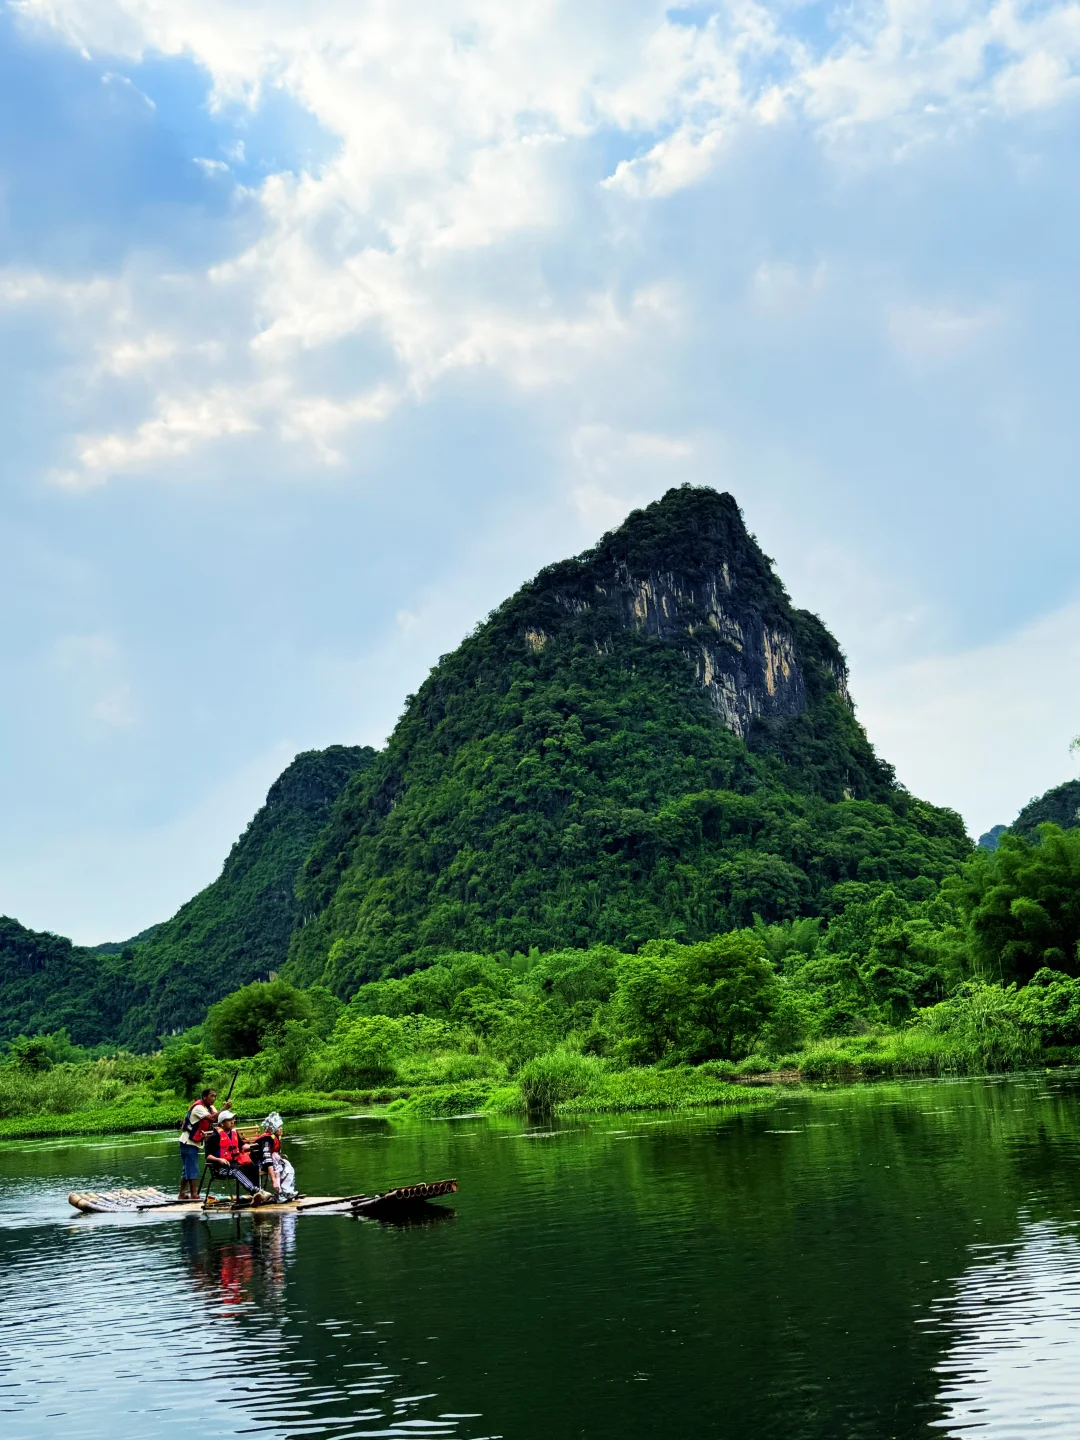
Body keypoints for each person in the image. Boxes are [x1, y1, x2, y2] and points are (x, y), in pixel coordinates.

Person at [205, 1111, 271, 1204]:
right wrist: (219, 1160)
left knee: (254, 1167)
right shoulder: (214, 1137)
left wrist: (256, 1145)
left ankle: (257, 1196)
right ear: (222, 1123)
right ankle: (256, 1191)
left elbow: (243, 1146)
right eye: (229, 1120)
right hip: (221, 1168)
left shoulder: (234, 1133)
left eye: (233, 1120)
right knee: (236, 1170)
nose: (232, 1122)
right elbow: (208, 1156)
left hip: (236, 1163)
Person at [178, 1087, 218, 1201]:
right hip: (188, 1142)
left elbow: (217, 1118)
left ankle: (182, 1194)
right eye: (211, 1096)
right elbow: (211, 1118)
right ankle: (194, 1195)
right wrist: (225, 1108)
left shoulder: (209, 1107)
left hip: (193, 1143)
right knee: (192, 1168)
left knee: (187, 1169)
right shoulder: (198, 1107)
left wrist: (223, 1111)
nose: (213, 1098)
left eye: (215, 1096)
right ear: (204, 1097)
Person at [248, 1113, 298, 1201]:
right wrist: (274, 1180)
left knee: (288, 1168)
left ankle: (287, 1191)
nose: (281, 1129)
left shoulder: (276, 1137)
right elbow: (267, 1159)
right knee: (276, 1169)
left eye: (281, 1126)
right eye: (279, 1127)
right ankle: (279, 1193)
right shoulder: (266, 1140)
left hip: (274, 1161)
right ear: (273, 1129)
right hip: (262, 1163)